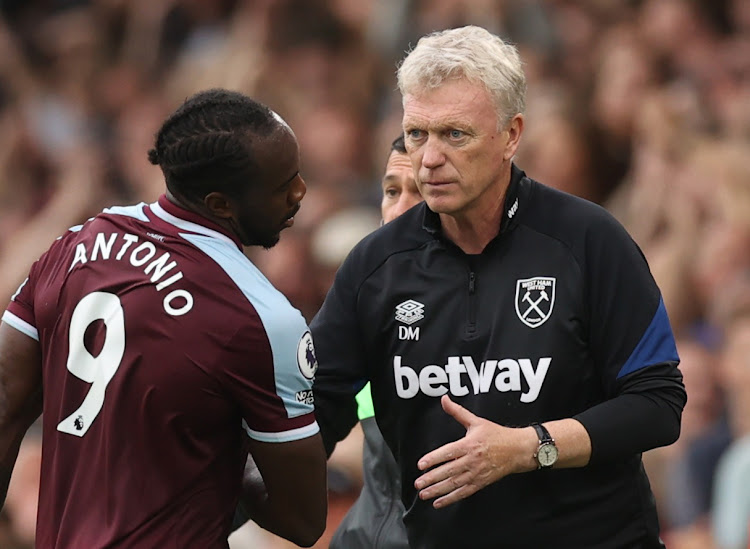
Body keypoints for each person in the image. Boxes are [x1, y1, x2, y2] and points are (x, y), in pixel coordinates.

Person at [311, 25, 686, 549]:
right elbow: (313, 414)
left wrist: (529, 447)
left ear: (511, 135)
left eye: (454, 134)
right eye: (417, 134)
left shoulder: (589, 241)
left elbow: (658, 404)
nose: (429, 158)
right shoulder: (375, 267)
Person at [0, 88, 327, 548]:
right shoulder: (260, 318)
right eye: (282, 186)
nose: (300, 192)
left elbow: (4, 403)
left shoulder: (72, 246)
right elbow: (303, 520)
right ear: (219, 205)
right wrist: (230, 462)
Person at [328, 134, 421, 549]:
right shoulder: (365, 302)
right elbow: (318, 407)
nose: (399, 209)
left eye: (418, 192)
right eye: (391, 191)